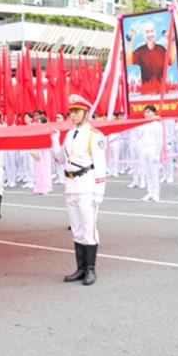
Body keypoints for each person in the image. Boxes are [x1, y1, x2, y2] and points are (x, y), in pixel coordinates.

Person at [50, 94, 108, 286]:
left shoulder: (94, 135)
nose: (73, 115)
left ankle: (91, 269)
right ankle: (80, 268)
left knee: (88, 228)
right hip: (71, 185)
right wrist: (55, 141)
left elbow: (100, 165)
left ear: (86, 113)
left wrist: (99, 191)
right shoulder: (69, 134)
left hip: (87, 186)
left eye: (77, 112)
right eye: (71, 112)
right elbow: (60, 159)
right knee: (76, 229)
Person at [126, 21, 176, 91]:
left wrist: (171, 42)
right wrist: (130, 41)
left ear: (155, 33)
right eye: (147, 32)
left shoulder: (161, 49)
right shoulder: (140, 51)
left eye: (151, 31)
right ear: (144, 34)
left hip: (161, 92)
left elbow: (171, 61)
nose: (150, 34)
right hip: (146, 92)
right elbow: (129, 61)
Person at [137, 105, 164, 202]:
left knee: (154, 173)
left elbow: (159, 140)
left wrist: (157, 153)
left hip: (153, 149)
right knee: (147, 172)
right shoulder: (142, 124)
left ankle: (156, 194)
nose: (146, 114)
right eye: (145, 112)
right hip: (144, 149)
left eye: (148, 112)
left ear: (154, 113)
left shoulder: (157, 125)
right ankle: (150, 192)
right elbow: (139, 136)